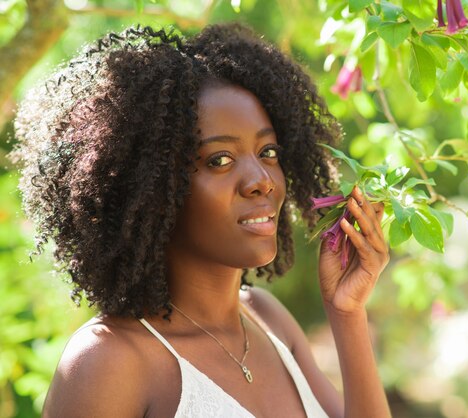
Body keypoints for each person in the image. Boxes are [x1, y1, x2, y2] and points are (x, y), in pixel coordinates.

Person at [12, 23, 391, 418]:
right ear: (153, 187)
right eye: (219, 160)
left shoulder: (267, 318)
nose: (261, 181)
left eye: (268, 152)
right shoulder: (109, 360)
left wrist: (347, 314)